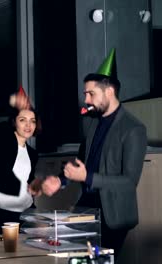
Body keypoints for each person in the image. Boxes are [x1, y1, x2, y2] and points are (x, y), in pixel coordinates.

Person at [41, 48, 147, 258]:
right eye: (85, 94)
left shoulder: (133, 129)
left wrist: (87, 177)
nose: (87, 100)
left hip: (114, 215)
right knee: (76, 258)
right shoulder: (90, 122)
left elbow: (129, 182)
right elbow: (81, 162)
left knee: (100, 261)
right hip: (87, 207)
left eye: (91, 94)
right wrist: (61, 180)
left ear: (109, 91)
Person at [0, 87, 42, 235]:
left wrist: (35, 184)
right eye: (22, 120)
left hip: (23, 214)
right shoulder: (3, 142)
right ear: (14, 122)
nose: (28, 125)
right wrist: (11, 101)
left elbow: (27, 179)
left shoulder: (32, 154)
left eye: (32, 121)